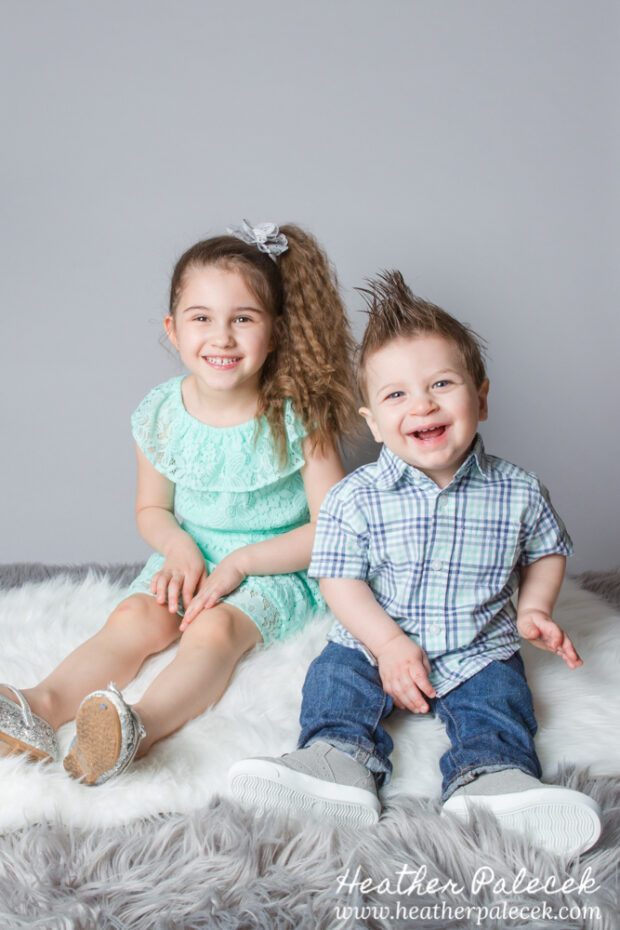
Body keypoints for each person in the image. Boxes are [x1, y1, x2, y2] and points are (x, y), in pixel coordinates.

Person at [229, 270, 602, 857]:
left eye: (441, 384)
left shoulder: (519, 490)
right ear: (374, 422)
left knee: (500, 701)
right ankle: (337, 762)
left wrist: (534, 607)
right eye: (396, 394)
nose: (422, 403)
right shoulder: (357, 496)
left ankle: (492, 779)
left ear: (481, 396)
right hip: (375, 639)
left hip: (477, 644)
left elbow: (546, 549)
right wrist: (385, 643)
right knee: (335, 682)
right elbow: (339, 580)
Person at [0, 220, 357, 785]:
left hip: (275, 567)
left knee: (214, 631)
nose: (222, 337)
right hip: (192, 556)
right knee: (135, 616)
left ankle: (135, 729)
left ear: (277, 330)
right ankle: (40, 704)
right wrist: (179, 548)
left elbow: (335, 526)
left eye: (243, 319)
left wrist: (241, 564)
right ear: (173, 328)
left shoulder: (299, 415)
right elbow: (152, 510)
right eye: (202, 319)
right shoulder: (161, 413)